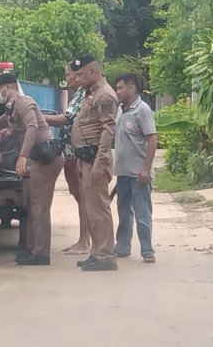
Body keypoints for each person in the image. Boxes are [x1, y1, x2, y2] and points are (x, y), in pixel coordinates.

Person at [0, 73, 65, 265]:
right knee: (32, 205)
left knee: (39, 206)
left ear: (7, 87)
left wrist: (22, 156)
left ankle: (41, 254)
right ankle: (32, 248)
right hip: (38, 159)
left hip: (46, 158)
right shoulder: (10, 108)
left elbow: (32, 127)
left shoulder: (24, 102)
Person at [70, 55, 119, 272]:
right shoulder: (91, 94)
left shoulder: (105, 95)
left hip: (95, 161)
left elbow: (108, 130)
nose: (77, 78)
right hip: (86, 160)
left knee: (99, 209)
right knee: (91, 210)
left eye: (80, 74)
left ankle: (106, 255)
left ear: (93, 72)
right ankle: (96, 253)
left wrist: (99, 163)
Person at [44, 63, 89, 255]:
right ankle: (84, 240)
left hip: (76, 152)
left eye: (69, 74)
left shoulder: (82, 93)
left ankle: (85, 241)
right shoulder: (78, 94)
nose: (68, 78)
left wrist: (39, 116)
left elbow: (67, 119)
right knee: (79, 196)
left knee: (83, 197)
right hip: (70, 152)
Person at [113, 73, 158, 264]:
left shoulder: (143, 110)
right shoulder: (120, 110)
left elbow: (152, 139)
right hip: (123, 173)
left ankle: (147, 250)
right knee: (124, 213)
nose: (118, 91)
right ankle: (122, 247)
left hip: (139, 174)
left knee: (142, 213)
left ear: (132, 89)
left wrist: (146, 169)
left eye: (121, 88)